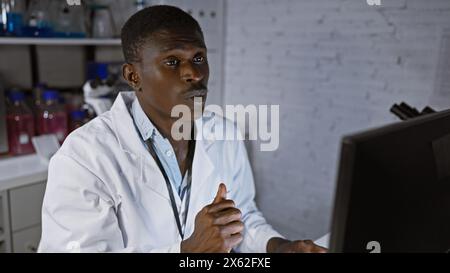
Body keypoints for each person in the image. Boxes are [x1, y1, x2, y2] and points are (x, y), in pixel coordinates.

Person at [38, 5, 326, 253]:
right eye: (172, 62)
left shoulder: (225, 135)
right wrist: (189, 250)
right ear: (133, 76)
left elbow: (242, 217)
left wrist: (278, 246)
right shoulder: (84, 158)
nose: (194, 73)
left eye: (199, 58)